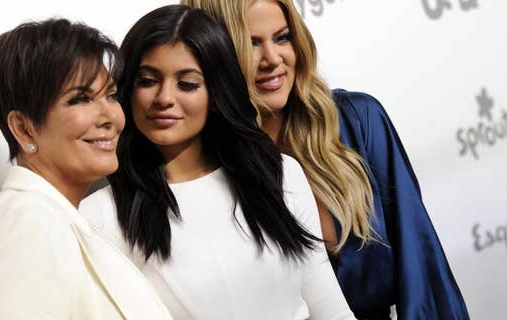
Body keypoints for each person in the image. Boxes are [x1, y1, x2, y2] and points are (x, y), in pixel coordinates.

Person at [182, 0, 470, 319]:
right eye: (250, 44)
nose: (273, 59)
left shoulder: (357, 122)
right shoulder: (200, 169)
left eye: (282, 37)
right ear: (212, 54)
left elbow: (423, 271)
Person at [81, 5, 355, 319]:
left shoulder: (280, 174)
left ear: (217, 92)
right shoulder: (99, 217)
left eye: (187, 84)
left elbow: (330, 308)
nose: (164, 98)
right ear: (127, 89)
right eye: (147, 81)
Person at [0, 18, 172, 319]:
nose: (110, 116)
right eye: (81, 99)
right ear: (24, 129)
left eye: (111, 95)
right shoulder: (26, 224)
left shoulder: (57, 217)